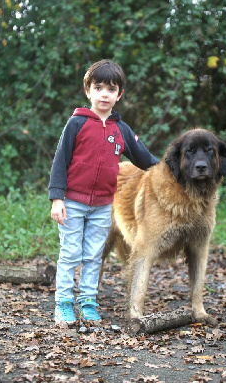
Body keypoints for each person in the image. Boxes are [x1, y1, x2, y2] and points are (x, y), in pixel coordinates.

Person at [49, 59, 158, 325]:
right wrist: (57, 198)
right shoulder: (76, 123)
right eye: (98, 88)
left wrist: (171, 170)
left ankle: (87, 302)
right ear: (88, 91)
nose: (104, 94)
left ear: (119, 95)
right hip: (72, 202)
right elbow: (60, 162)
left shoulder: (121, 130)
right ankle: (63, 304)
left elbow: (145, 159)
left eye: (111, 89)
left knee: (93, 255)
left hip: (102, 206)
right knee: (70, 253)